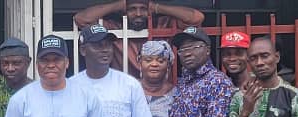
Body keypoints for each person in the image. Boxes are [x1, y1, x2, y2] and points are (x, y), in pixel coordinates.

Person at [74, 0, 203, 78]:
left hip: (158, 90)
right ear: (123, 12)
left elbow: (196, 18)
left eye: (143, 9)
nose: (138, 14)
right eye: (132, 9)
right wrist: (120, 4)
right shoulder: (114, 29)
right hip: (124, 90)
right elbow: (82, 19)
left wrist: (156, 7)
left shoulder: (163, 25)